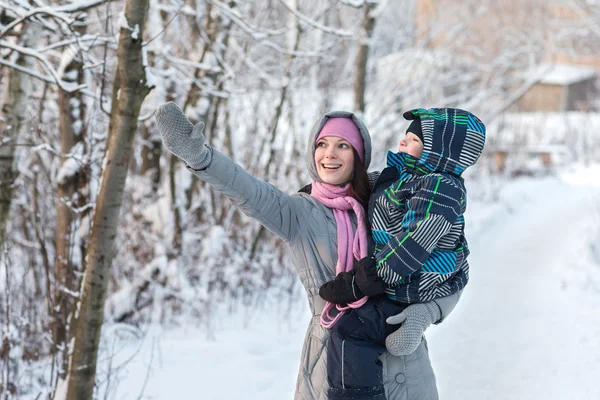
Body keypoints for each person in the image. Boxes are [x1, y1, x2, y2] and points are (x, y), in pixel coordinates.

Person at [155, 102, 462, 400]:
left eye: (343, 145)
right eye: (322, 144)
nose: (329, 154)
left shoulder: (393, 199)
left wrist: (428, 311)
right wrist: (201, 158)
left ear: (359, 155)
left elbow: (453, 264)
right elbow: (245, 189)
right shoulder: (297, 212)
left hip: (404, 365)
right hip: (333, 364)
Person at [318, 108, 486, 399]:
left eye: (414, 139)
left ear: (439, 150)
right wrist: (323, 190)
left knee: (351, 331)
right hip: (399, 281)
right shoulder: (408, 177)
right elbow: (377, 186)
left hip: (412, 283)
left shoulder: (440, 188)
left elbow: (414, 243)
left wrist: (363, 282)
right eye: (406, 136)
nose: (403, 141)